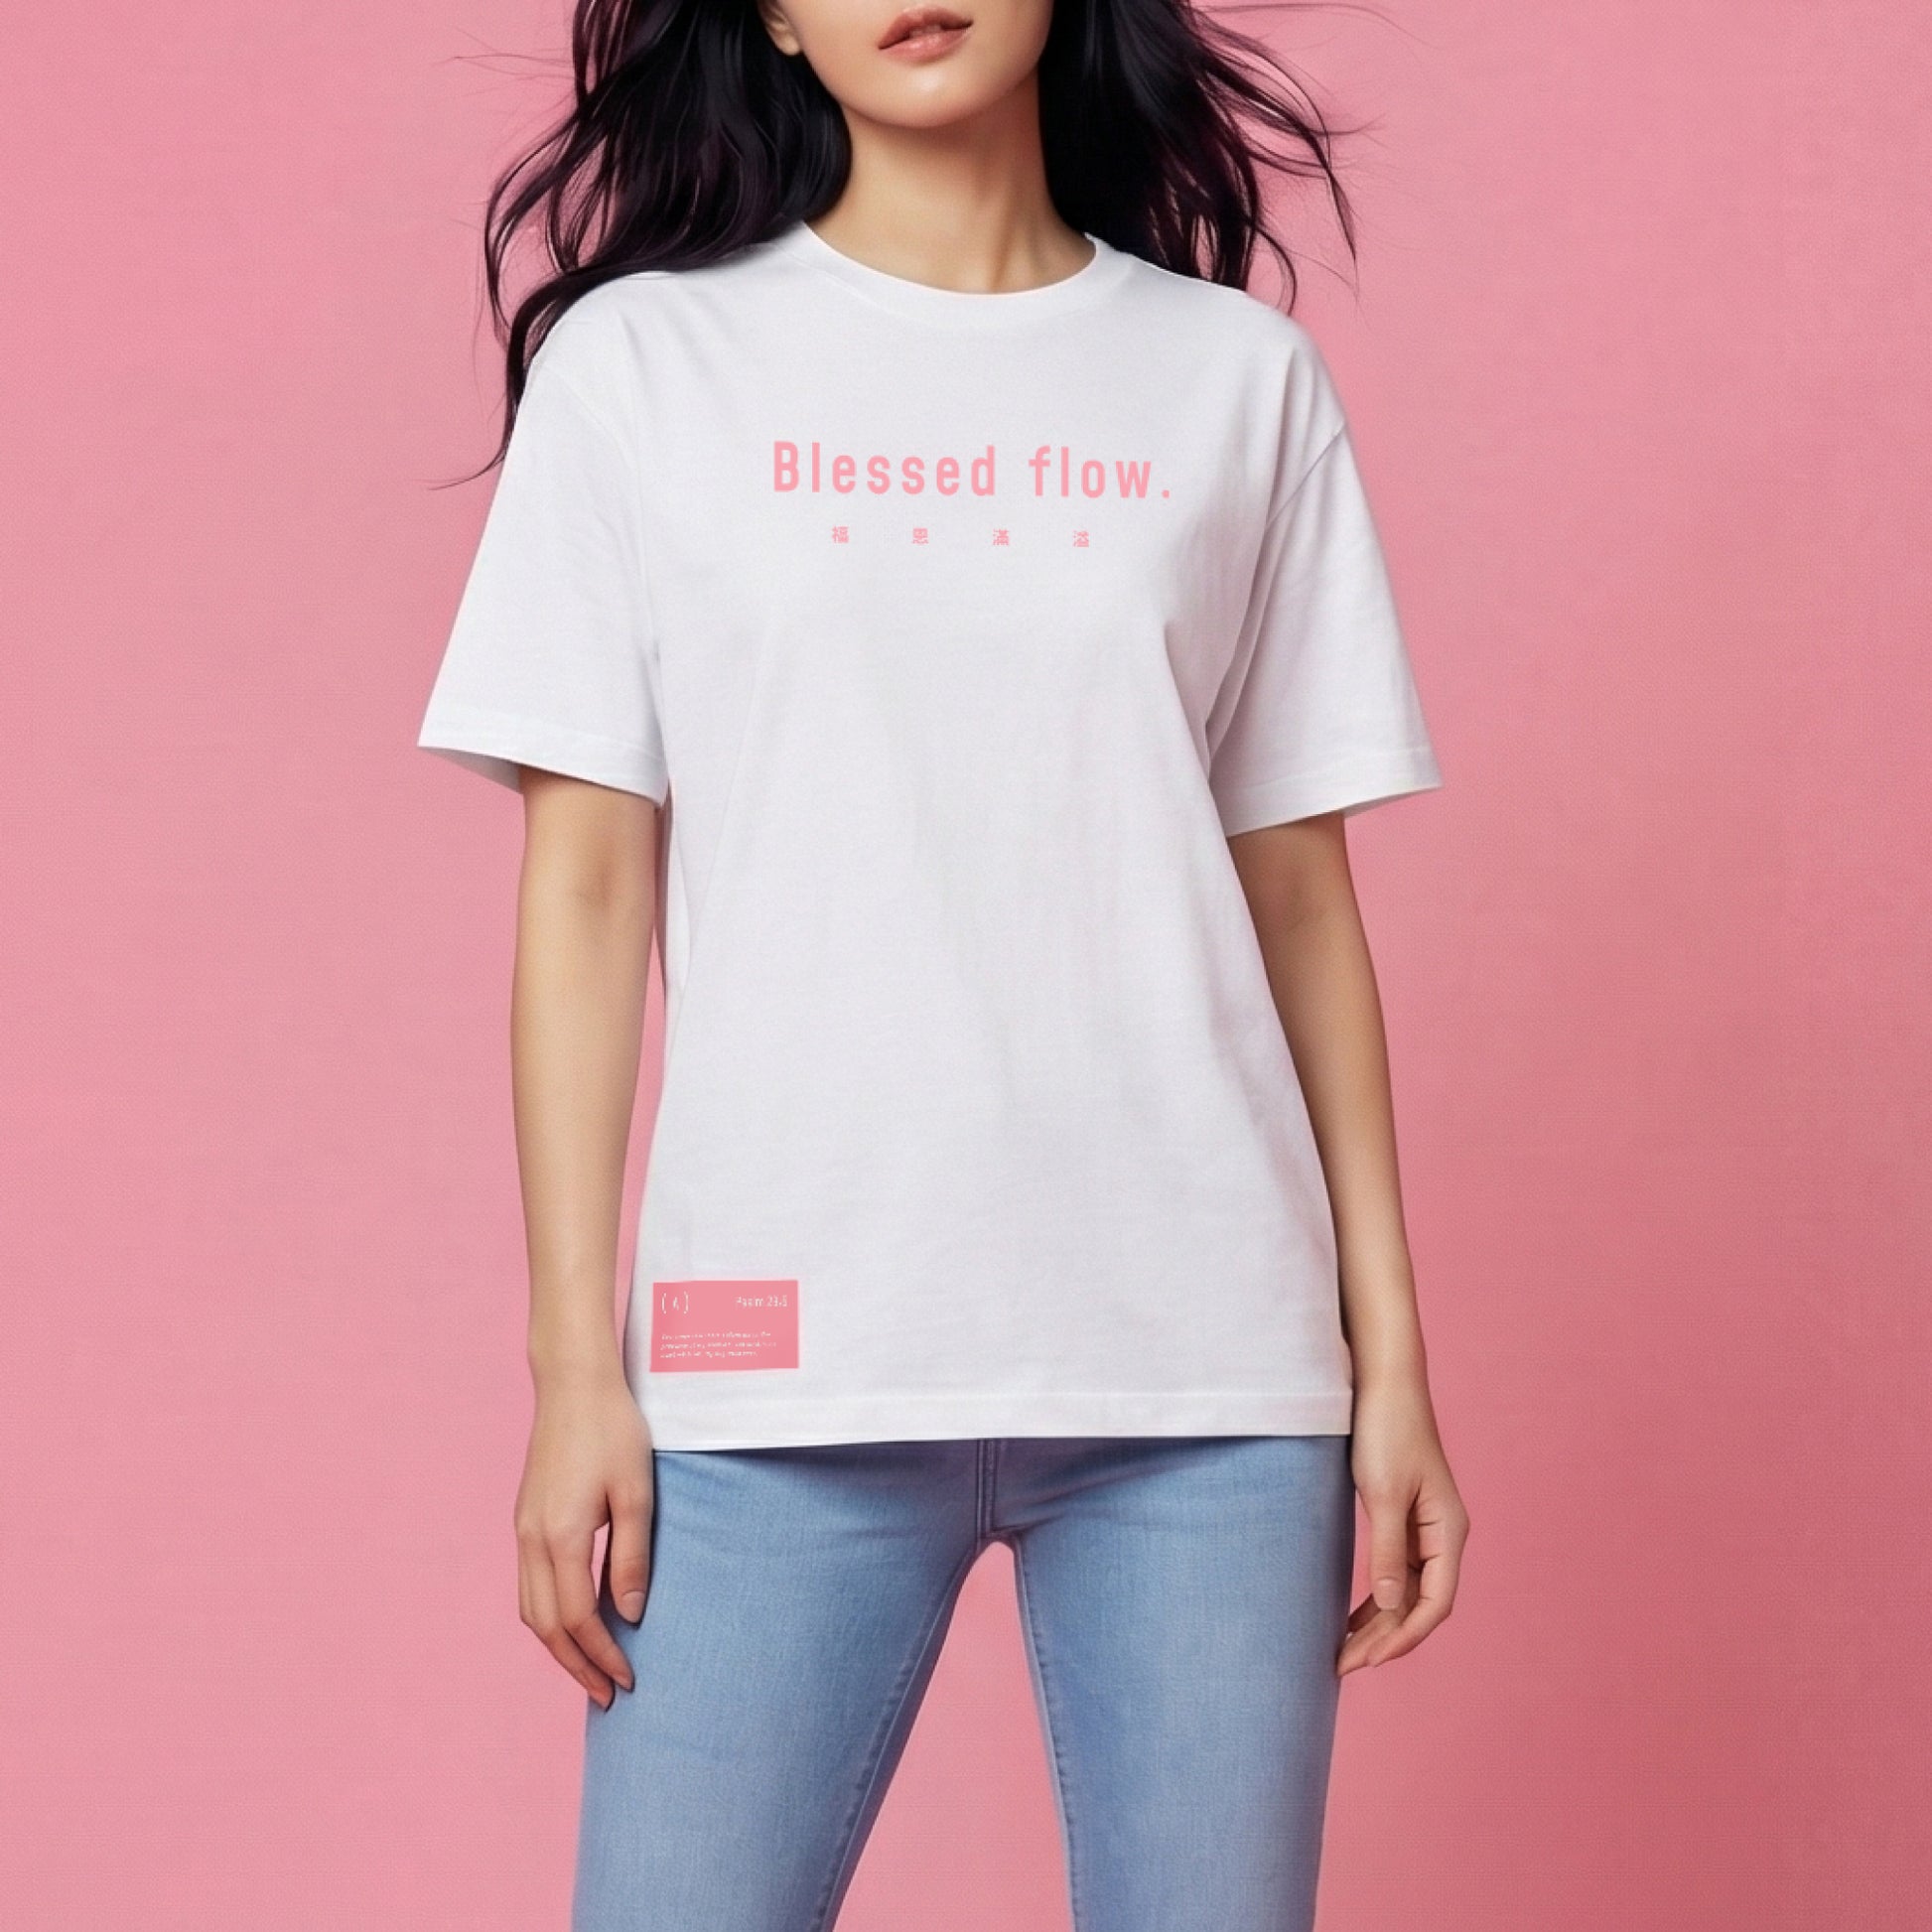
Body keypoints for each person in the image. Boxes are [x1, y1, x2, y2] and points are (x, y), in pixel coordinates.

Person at [416, 0, 1470, 1925]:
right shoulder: (642, 367)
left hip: (1207, 1367)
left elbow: (1300, 898)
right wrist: (576, 1370)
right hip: (771, 1367)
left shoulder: (1231, 379)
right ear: (771, 17)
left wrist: (1387, 1359)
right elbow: (583, 893)